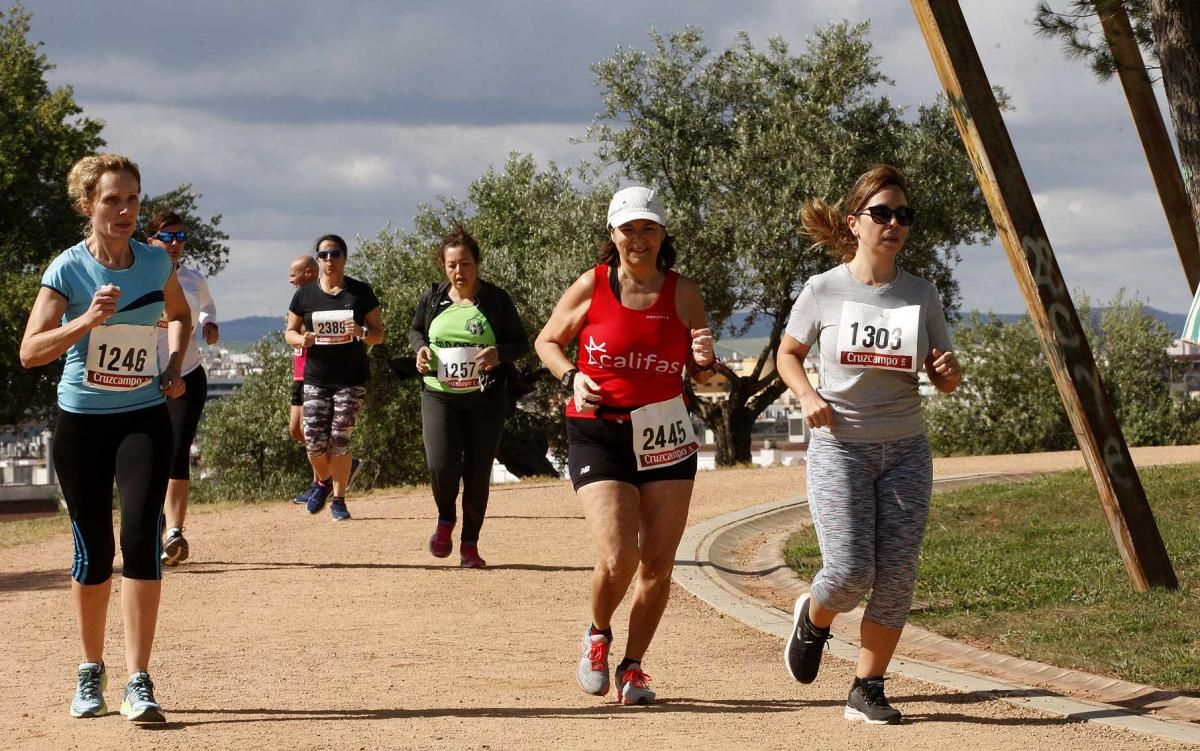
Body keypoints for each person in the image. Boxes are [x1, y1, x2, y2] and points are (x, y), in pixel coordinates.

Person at [775, 164, 962, 725]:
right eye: (882, 213)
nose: (894, 223)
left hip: (905, 448)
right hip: (841, 446)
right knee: (851, 570)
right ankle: (814, 617)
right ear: (855, 223)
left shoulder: (921, 294)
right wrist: (807, 393)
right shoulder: (823, 289)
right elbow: (788, 354)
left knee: (898, 574)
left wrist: (948, 371)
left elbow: (945, 377)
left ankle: (867, 686)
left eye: (903, 215)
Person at [20, 153, 191, 723]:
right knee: (95, 549)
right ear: (87, 206)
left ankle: (139, 679)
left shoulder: (154, 262)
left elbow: (180, 316)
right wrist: (84, 322)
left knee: (141, 534)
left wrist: (171, 369)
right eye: (112, 200)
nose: (124, 211)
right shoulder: (67, 270)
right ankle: (90, 669)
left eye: (133, 200)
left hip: (143, 415)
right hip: (83, 422)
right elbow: (30, 352)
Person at [534, 186, 716, 705]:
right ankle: (597, 634)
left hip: (665, 433)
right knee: (620, 557)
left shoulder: (684, 293)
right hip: (599, 428)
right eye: (628, 229)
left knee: (658, 564)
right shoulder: (592, 285)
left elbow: (699, 375)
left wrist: (703, 358)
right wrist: (571, 375)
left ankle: (633, 667)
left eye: (648, 229)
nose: (638, 239)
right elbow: (547, 340)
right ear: (612, 235)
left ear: (662, 235)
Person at [409, 226, 530, 568]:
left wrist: (498, 354)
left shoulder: (496, 300)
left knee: (477, 474)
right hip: (439, 396)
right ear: (443, 267)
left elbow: (520, 343)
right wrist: (420, 350)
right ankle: (445, 518)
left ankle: (470, 545)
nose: (458, 271)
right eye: (451, 265)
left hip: (485, 398)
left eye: (465, 263)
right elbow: (416, 330)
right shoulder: (433, 298)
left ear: (477, 263)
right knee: (441, 466)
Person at [285, 235, 383, 521]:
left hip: (350, 379)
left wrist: (362, 333)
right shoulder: (304, 295)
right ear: (318, 259)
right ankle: (322, 482)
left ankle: (339, 499)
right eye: (324, 255)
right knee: (313, 438)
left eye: (335, 254)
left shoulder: (360, 292)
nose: (329, 259)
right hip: (316, 377)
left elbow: (379, 333)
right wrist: (302, 338)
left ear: (344, 258)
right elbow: (289, 333)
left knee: (339, 438)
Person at [146, 210, 219, 566]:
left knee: (177, 450)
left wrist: (209, 325)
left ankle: (174, 531)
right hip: (142, 379)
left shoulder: (192, 278)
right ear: (151, 241)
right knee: (148, 455)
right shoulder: (139, 279)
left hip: (188, 374)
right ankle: (151, 523)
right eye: (167, 237)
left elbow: (207, 307)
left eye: (180, 237)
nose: (175, 244)